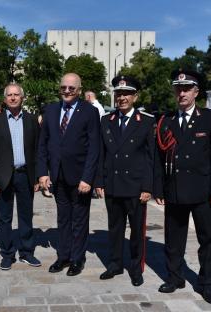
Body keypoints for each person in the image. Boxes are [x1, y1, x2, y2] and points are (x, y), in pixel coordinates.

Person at [154, 70, 211, 304]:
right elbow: (158, 158)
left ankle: (207, 285)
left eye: (187, 88)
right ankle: (174, 277)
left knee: (208, 240)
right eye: (178, 88)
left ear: (196, 92)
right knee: (173, 239)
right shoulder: (165, 120)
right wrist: (158, 189)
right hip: (174, 189)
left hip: (203, 192)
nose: (182, 92)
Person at [94, 76, 155, 287]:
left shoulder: (146, 121)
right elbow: (101, 154)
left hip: (136, 186)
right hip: (112, 184)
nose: (122, 98)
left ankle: (136, 268)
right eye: (119, 94)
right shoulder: (106, 121)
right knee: (115, 228)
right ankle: (115, 264)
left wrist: (148, 186)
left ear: (135, 96)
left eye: (127, 94)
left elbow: (150, 157)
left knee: (137, 231)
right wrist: (99, 181)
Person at [37, 73, 100, 276]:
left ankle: (77, 259)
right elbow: (43, 144)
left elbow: (94, 148)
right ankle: (63, 256)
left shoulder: (89, 111)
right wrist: (42, 173)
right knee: (62, 219)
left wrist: (88, 178)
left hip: (80, 178)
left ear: (79, 90)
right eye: (63, 87)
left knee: (79, 220)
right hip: (57, 176)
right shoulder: (51, 109)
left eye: (71, 88)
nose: (66, 91)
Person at [0, 83, 41, 270]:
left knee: (26, 217)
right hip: (3, 177)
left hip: (25, 175)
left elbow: (38, 151)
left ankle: (26, 252)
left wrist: (38, 177)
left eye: (16, 94)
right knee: (4, 218)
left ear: (22, 97)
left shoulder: (32, 120)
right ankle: (7, 254)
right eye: (9, 95)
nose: (13, 97)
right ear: (5, 98)